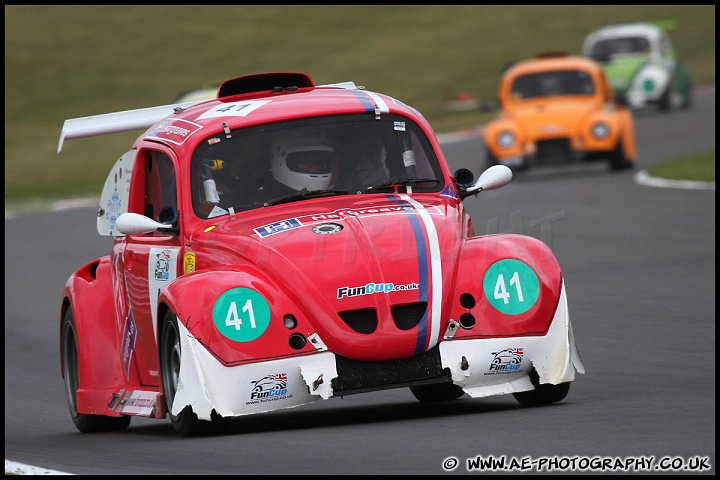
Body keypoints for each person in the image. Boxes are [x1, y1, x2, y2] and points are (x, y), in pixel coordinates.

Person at [269, 130, 336, 195]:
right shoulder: (268, 202)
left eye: (319, 162)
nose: (316, 168)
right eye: (308, 162)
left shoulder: (337, 194)